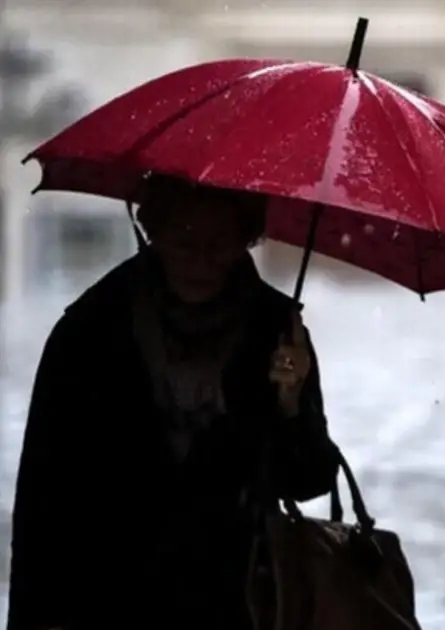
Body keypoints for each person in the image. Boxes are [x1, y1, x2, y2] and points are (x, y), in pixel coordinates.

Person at [6, 175, 341, 630]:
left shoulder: (277, 333)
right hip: (108, 599)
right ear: (155, 230)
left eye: (219, 241)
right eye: (185, 239)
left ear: (245, 238)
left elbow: (308, 480)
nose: (201, 259)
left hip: (236, 601)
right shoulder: (92, 329)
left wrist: (291, 405)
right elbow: (44, 498)